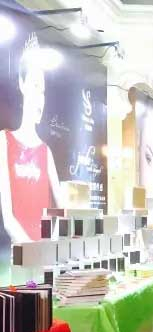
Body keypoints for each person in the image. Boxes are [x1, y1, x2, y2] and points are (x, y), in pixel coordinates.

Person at [0, 34, 61, 243]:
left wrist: (51, 243)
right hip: (19, 252)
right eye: (35, 85)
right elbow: (8, 218)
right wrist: (33, 251)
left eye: (43, 90)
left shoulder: (45, 151)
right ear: (22, 83)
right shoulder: (4, 141)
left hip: (44, 252)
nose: (40, 97)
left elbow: (62, 208)